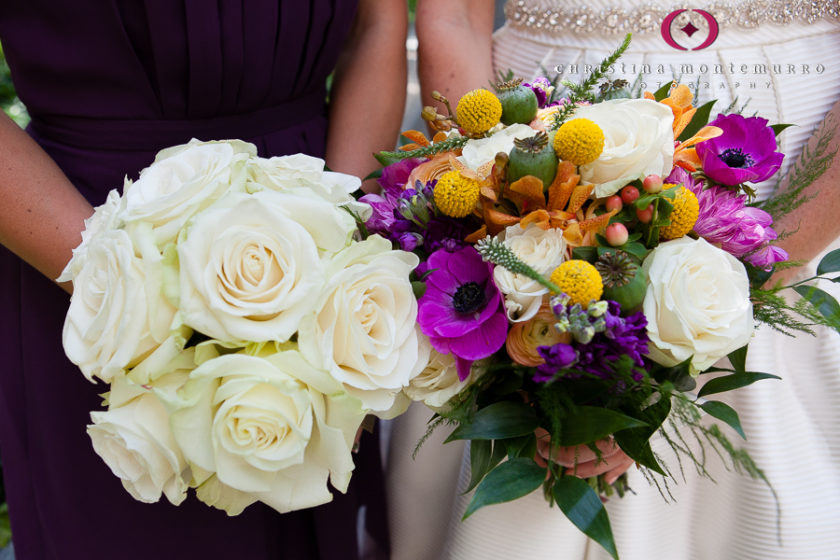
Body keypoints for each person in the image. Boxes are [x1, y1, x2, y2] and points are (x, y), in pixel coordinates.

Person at [389, 0, 840, 558]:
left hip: (797, 170)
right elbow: (453, 15)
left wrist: (755, 281)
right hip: (531, 137)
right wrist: (486, 187)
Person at [0, 1, 407, 558]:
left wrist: (337, 256)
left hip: (317, 222)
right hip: (84, 252)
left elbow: (376, 24)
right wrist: (132, 300)